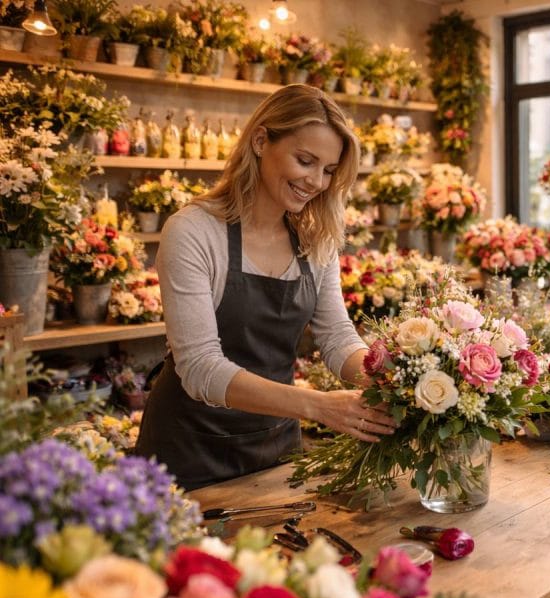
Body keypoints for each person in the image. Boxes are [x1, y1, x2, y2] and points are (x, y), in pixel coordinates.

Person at [136, 84, 394, 491]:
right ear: (260, 140)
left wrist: (389, 378)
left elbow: (337, 337)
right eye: (305, 161)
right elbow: (200, 367)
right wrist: (320, 406)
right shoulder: (194, 231)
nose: (316, 182)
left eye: (328, 170)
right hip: (189, 452)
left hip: (275, 447)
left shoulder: (316, 237)